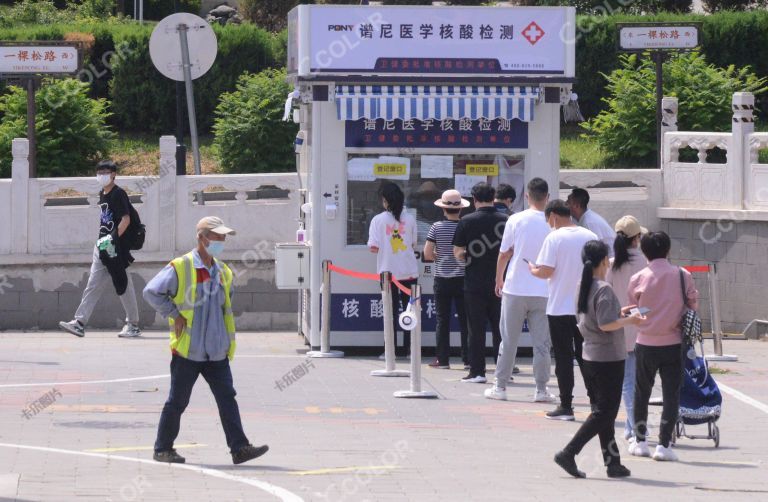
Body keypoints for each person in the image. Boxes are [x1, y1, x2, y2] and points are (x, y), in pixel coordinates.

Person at [143, 216, 268, 465]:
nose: (222, 241)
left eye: (224, 237)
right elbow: (151, 292)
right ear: (202, 238)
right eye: (217, 236)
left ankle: (239, 448)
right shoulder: (181, 266)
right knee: (177, 401)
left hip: (216, 351)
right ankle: (162, 448)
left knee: (227, 398)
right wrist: (174, 315)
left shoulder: (223, 271)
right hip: (189, 349)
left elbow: (225, 304)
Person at [554, 240, 645, 479]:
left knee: (603, 411)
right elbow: (605, 324)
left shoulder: (582, 285)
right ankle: (569, 452)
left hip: (591, 355)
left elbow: (598, 318)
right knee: (604, 413)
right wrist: (629, 321)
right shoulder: (603, 288)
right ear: (604, 261)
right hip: (607, 357)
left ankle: (612, 462)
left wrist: (620, 313)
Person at [627, 231, 698, 462]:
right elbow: (692, 303)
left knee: (641, 393)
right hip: (674, 343)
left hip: (645, 343)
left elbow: (634, 309)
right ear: (668, 250)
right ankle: (664, 444)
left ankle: (640, 441)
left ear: (644, 251)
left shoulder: (637, 278)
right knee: (671, 395)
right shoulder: (682, 275)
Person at [485, 178, 555, 402]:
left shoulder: (515, 219)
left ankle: (500, 386)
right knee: (542, 343)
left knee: (508, 339)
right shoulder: (553, 221)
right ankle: (541, 390)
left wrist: (498, 279)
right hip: (544, 289)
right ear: (547, 196)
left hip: (515, 287)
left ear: (527, 196)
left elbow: (505, 253)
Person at [529, 200, 597, 420]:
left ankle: (566, 405)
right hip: (586, 308)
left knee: (563, 358)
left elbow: (546, 271)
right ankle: (596, 403)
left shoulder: (554, 238)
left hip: (560, 307)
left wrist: (533, 270)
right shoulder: (590, 236)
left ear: (553, 217)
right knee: (587, 356)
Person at [59, 160, 141, 338]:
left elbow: (125, 220)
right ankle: (79, 323)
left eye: (106, 171)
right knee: (93, 285)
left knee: (122, 282)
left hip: (113, 246)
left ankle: (133, 324)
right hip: (103, 245)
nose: (102, 174)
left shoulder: (118, 194)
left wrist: (113, 240)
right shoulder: (102, 193)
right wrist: (103, 243)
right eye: (99, 171)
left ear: (113, 174)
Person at [453, 183, 507, 383]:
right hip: (500, 283)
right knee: (500, 329)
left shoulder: (466, 221)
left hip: (474, 284)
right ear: (494, 197)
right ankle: (503, 371)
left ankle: (477, 372)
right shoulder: (505, 220)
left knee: (476, 329)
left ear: (474, 199)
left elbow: (458, 253)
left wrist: (472, 255)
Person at [605, 215, 648, 440]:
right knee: (640, 383)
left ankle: (634, 428)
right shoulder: (646, 262)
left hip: (620, 328)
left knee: (627, 383)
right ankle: (635, 427)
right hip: (644, 328)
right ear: (637, 238)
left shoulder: (611, 264)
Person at [368, 183, 419, 358]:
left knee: (389, 313)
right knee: (410, 312)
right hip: (409, 272)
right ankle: (409, 350)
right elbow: (413, 243)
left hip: (387, 273)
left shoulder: (378, 220)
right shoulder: (410, 219)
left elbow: (373, 248)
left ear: (385, 201)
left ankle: (389, 350)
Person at [424, 189, 470, 369]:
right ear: (460, 209)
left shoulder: (436, 227)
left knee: (442, 320)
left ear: (443, 209)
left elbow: (427, 254)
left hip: (442, 278)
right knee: (466, 320)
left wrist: (440, 256)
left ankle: (442, 360)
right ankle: (468, 359)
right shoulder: (465, 226)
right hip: (462, 278)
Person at [567, 188, 615, 257]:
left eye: (568, 201)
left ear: (576, 206)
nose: (565, 203)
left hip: (610, 261)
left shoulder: (589, 222)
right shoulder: (576, 219)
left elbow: (595, 249)